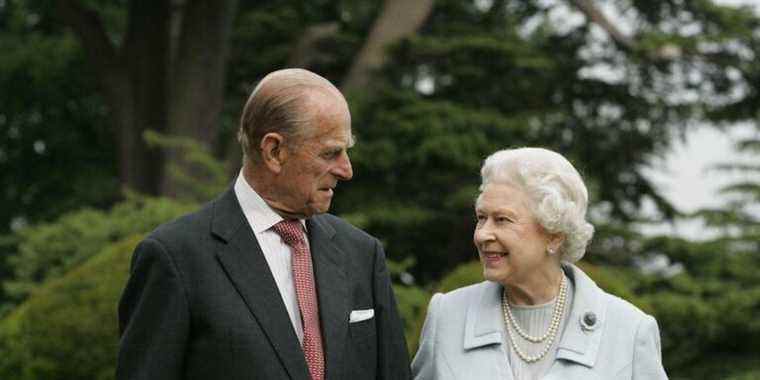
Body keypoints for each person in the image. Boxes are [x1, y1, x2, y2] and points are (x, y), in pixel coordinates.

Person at [117, 68, 410, 380]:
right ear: (274, 151)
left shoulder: (362, 254)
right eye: (331, 153)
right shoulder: (175, 257)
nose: (346, 170)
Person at [411, 147, 668, 380]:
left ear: (554, 235)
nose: (481, 235)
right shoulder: (447, 317)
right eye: (481, 217)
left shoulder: (629, 331)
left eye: (502, 220)